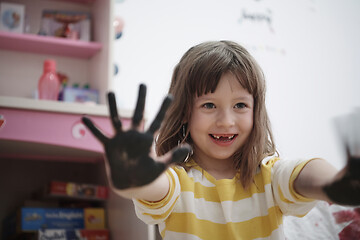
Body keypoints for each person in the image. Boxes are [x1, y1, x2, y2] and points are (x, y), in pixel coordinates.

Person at [82, 40, 360, 240]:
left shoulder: (270, 177)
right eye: (209, 105)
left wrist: (332, 184)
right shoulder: (178, 182)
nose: (226, 121)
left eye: (240, 105)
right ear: (184, 113)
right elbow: (155, 188)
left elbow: (303, 174)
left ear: (256, 111)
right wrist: (135, 176)